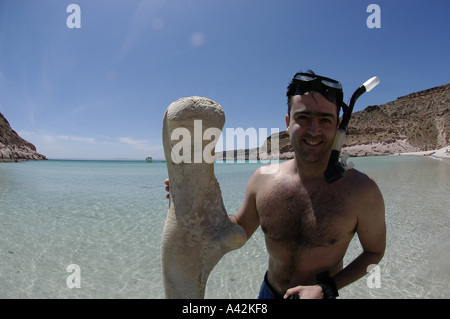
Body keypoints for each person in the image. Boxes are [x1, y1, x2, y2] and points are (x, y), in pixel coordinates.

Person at [165, 70, 386, 299]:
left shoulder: (362, 191)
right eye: (303, 118)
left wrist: (326, 288)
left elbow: (374, 252)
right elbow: (236, 230)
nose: (313, 130)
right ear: (288, 122)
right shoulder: (263, 179)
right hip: (268, 293)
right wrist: (193, 199)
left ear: (339, 125)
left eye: (325, 120)